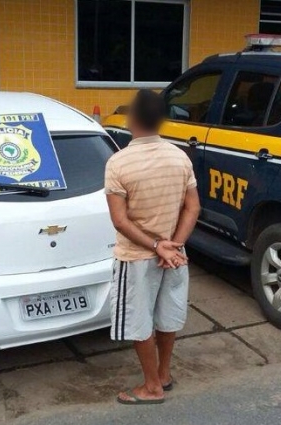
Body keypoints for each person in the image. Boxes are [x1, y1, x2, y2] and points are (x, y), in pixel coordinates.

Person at [104, 89, 201, 405]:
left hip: (136, 258)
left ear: (132, 119)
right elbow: (193, 207)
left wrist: (158, 246)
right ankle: (163, 374)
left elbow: (120, 221)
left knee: (138, 321)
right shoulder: (179, 157)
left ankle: (151, 388)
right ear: (160, 120)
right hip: (174, 257)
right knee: (167, 317)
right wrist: (174, 246)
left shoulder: (118, 163)